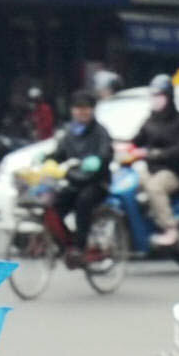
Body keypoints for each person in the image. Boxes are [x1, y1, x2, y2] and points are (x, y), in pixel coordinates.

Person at [129, 74, 179, 248]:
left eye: (160, 96)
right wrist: (124, 148)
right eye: (154, 96)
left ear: (169, 97)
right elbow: (136, 140)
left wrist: (156, 154)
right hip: (150, 169)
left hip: (173, 171)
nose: (156, 100)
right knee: (128, 184)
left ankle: (170, 228)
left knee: (154, 187)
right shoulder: (150, 120)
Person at [46, 85, 115, 249]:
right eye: (78, 108)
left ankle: (80, 247)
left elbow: (106, 153)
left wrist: (98, 160)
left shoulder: (100, 132)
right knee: (54, 205)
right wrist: (46, 159)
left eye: (86, 108)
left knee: (83, 202)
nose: (82, 112)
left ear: (92, 110)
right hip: (74, 181)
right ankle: (66, 243)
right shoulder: (70, 132)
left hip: (96, 183)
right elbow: (59, 153)